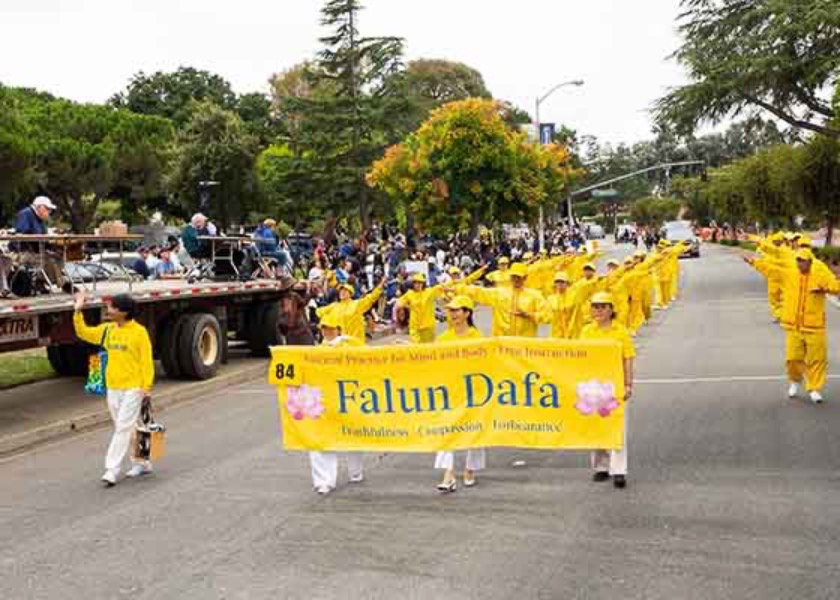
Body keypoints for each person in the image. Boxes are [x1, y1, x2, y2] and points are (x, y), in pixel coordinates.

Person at [73, 290, 155, 487]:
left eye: (112, 307)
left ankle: (111, 469)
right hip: (113, 386)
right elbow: (83, 332)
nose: (108, 310)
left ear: (123, 312)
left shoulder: (139, 332)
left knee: (122, 427)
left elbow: (146, 361)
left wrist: (146, 386)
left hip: (134, 386)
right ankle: (143, 461)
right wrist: (77, 311)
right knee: (129, 425)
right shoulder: (108, 330)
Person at [745, 249, 840, 403]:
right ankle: (795, 382)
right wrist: (754, 262)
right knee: (792, 358)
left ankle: (814, 389)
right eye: (797, 260)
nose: (799, 263)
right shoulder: (789, 274)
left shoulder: (820, 274)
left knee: (817, 359)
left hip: (814, 327)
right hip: (794, 327)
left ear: (810, 262)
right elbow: (771, 270)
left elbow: (835, 287)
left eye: (802, 260)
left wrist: (825, 288)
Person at [580, 292, 635, 489]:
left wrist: (628, 384)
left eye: (603, 306)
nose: (599, 310)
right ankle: (601, 467)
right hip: (592, 387)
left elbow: (628, 358)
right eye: (595, 306)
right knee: (596, 426)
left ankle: (619, 470)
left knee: (617, 427)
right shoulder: (586, 331)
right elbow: (579, 358)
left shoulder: (621, 332)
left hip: (615, 386)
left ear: (611, 309)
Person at [309, 312, 364, 495]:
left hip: (348, 399)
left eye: (332, 328)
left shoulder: (349, 347)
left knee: (351, 436)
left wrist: (344, 340)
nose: (328, 332)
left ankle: (355, 471)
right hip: (323, 401)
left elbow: (365, 354)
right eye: (325, 328)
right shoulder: (315, 351)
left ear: (339, 329)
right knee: (320, 441)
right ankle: (324, 481)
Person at [434, 295, 485, 492]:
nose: (452, 314)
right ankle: (448, 474)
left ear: (467, 313)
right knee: (447, 431)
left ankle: (470, 469)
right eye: (451, 310)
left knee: (474, 430)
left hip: (474, 392)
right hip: (450, 391)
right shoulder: (444, 339)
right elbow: (428, 357)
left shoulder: (477, 338)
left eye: (456, 310)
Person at [463, 263, 547, 337]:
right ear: (510, 276)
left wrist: (529, 315)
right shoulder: (499, 293)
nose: (516, 279)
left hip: (524, 345)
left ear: (525, 277)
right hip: (503, 347)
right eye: (514, 276)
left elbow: (547, 316)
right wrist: (457, 288)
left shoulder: (534, 296)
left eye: (519, 277)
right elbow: (478, 292)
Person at [12, 196, 66, 291]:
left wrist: (52, 246)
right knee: (49, 260)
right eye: (47, 209)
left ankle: (42, 282)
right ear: (40, 207)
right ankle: (59, 283)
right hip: (23, 252)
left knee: (58, 256)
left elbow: (44, 238)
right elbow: (22, 234)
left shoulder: (40, 219)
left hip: (38, 251)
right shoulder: (26, 214)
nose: (49, 212)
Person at [315, 280, 384, 344]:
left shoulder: (357, 304)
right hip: (339, 344)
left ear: (350, 294)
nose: (342, 292)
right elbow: (318, 312)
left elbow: (370, 298)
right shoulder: (334, 306)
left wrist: (379, 288)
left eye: (345, 291)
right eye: (341, 291)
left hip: (354, 342)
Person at [395, 273, 444, 344]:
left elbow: (440, 288)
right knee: (416, 347)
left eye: (420, 282)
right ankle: (404, 344)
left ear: (423, 284)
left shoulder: (429, 292)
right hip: (415, 326)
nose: (418, 284)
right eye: (416, 282)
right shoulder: (409, 294)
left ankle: (404, 343)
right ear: (413, 284)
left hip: (428, 326)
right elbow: (399, 303)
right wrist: (406, 306)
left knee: (428, 349)